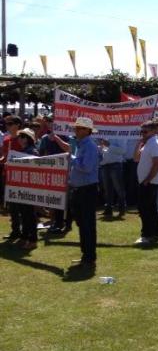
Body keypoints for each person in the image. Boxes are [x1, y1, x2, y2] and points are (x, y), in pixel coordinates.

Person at [53, 117, 100, 278]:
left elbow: (86, 167)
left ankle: (89, 257)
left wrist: (71, 159)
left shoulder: (90, 147)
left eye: (80, 128)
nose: (77, 130)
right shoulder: (81, 145)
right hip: (80, 189)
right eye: (76, 128)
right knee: (82, 223)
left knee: (87, 224)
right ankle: (86, 256)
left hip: (87, 189)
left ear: (88, 131)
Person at [6, 128, 39, 250]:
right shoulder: (25, 150)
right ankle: (25, 237)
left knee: (29, 214)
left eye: (21, 137)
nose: (19, 139)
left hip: (29, 188)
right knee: (24, 213)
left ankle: (32, 239)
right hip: (23, 187)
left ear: (27, 139)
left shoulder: (32, 151)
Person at [133, 121, 158, 245]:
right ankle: (154, 234)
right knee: (149, 209)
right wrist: (138, 144)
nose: (143, 134)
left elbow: (157, 164)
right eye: (142, 131)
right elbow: (135, 158)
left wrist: (147, 180)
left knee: (145, 209)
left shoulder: (155, 144)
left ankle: (147, 235)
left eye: (145, 132)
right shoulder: (147, 143)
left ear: (153, 131)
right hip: (146, 181)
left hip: (149, 182)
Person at [98, 135, 126, 219]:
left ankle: (121, 209)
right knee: (107, 189)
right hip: (105, 165)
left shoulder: (120, 135)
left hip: (115, 164)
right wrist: (100, 148)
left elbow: (123, 151)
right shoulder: (105, 135)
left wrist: (109, 145)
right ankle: (108, 209)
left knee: (119, 188)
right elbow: (104, 151)